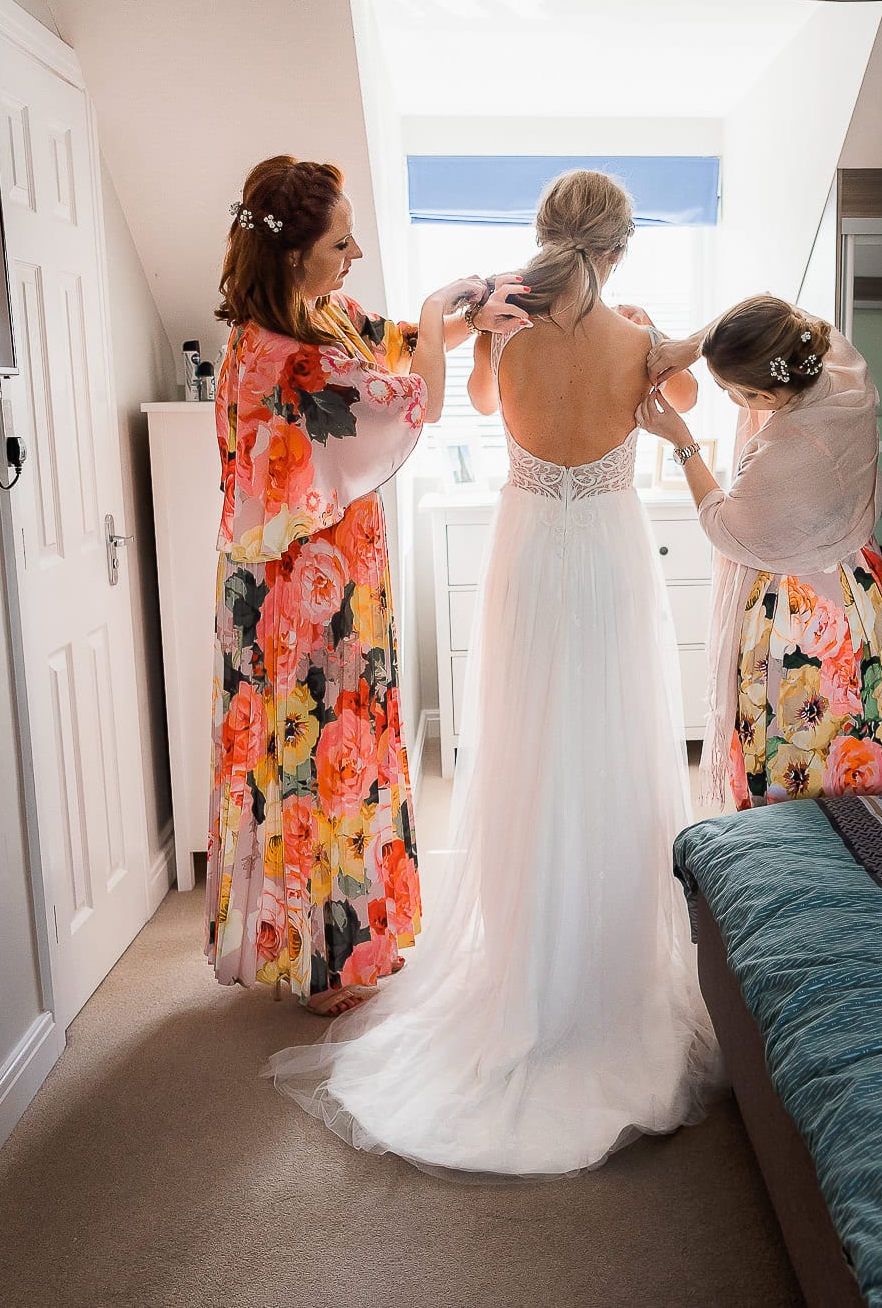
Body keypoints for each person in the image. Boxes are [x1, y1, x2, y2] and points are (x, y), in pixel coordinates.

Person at [268, 170, 719, 1178]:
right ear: (621, 247)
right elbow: (681, 397)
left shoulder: (501, 333)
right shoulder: (638, 332)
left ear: (544, 237)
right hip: (604, 557)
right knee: (609, 756)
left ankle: (527, 974)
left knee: (526, 752)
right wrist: (653, 342)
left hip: (524, 554)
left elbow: (472, 404)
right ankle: (604, 979)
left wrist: (480, 326)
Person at [204, 154, 524, 1016]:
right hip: (297, 600)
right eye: (340, 242)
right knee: (314, 759)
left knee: (337, 751)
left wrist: (468, 314)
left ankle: (336, 943)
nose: (353, 253)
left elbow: (408, 345)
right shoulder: (279, 353)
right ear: (291, 252)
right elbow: (417, 394)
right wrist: (435, 305)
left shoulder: (320, 316)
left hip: (335, 581)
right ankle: (318, 964)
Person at [642, 294, 882, 811]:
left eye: (734, 391)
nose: (730, 399)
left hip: (805, 620)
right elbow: (773, 313)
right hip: (861, 595)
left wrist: (681, 441)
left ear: (766, 389)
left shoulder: (787, 452)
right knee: (863, 747)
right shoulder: (840, 364)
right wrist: (692, 347)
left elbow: (725, 525)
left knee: (800, 758)